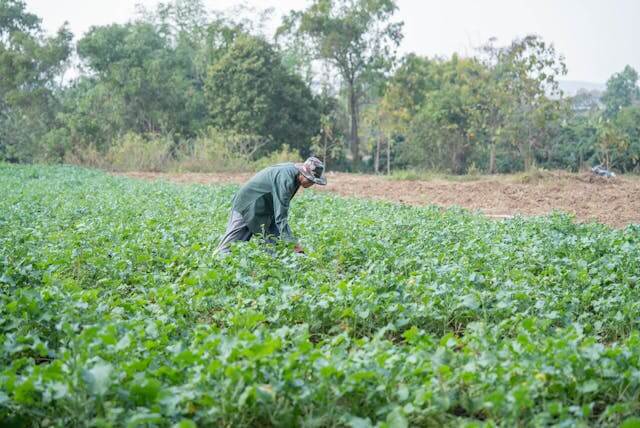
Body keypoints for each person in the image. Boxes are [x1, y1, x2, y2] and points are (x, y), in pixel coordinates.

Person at [217, 157, 327, 255]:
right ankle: (217, 263)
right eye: (310, 180)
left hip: (264, 210)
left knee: (274, 247)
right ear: (303, 173)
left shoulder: (294, 175)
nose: (311, 184)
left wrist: (291, 242)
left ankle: (284, 266)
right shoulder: (286, 179)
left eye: (313, 182)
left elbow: (278, 214)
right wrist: (292, 242)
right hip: (247, 204)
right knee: (229, 248)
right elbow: (281, 216)